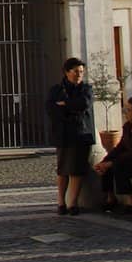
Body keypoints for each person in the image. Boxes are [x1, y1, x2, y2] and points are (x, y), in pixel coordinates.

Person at [46, 57, 95, 216]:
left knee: (77, 170)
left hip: (81, 134)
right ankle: (61, 202)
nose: (79, 75)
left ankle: (72, 203)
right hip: (63, 134)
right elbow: (52, 109)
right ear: (67, 72)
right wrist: (70, 109)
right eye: (75, 71)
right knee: (63, 169)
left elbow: (84, 104)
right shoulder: (56, 90)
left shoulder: (86, 89)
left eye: (81, 72)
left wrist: (66, 105)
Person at [94, 95, 132, 216]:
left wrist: (112, 162)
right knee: (107, 166)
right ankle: (110, 197)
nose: (125, 113)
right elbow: (120, 147)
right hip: (128, 160)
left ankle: (131, 201)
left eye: (128, 110)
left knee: (118, 165)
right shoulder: (127, 127)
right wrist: (104, 161)